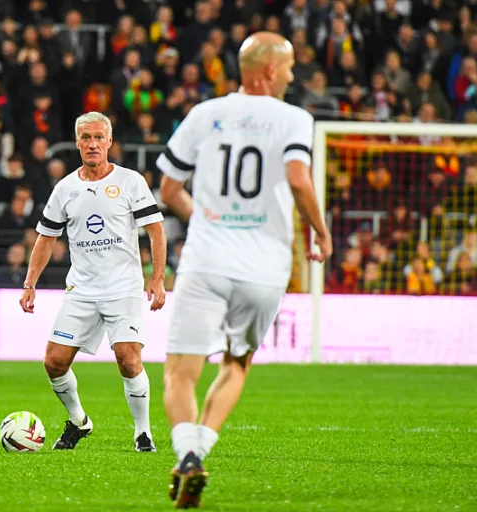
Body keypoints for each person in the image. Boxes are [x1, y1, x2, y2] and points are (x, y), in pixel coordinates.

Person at [156, 32, 333, 508]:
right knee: (237, 364)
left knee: (180, 372)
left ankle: (186, 453)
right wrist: (320, 230)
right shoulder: (295, 118)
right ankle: (200, 452)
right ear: (271, 70)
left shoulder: (204, 114)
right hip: (265, 268)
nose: (292, 75)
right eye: (289, 67)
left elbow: (168, 189)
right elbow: (298, 179)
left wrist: (205, 219)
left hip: (207, 262)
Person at [18, 112, 167, 453]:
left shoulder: (130, 182)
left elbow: (156, 231)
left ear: (109, 141)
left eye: (99, 137)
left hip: (123, 288)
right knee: (54, 362)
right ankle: (79, 420)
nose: (93, 144)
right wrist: (29, 283)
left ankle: (143, 433)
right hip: (82, 290)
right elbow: (46, 238)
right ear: (77, 143)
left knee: (128, 358)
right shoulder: (65, 188)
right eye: (86, 137)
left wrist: (157, 278)